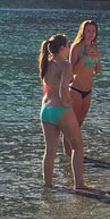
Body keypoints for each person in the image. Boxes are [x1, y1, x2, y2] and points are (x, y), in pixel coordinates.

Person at [38, 34, 88, 190]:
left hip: (46, 109)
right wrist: (67, 100)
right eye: (68, 45)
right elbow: (62, 90)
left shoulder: (46, 62)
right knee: (77, 147)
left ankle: (47, 185)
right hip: (61, 110)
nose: (69, 47)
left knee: (50, 150)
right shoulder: (65, 66)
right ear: (62, 48)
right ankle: (79, 184)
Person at [64, 19, 102, 157]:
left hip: (88, 90)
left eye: (93, 31)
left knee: (79, 124)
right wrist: (85, 56)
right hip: (75, 90)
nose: (91, 34)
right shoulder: (77, 47)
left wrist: (97, 57)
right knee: (72, 125)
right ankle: (69, 154)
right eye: (88, 31)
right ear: (83, 32)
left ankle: (74, 153)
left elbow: (97, 70)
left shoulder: (95, 48)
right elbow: (72, 71)